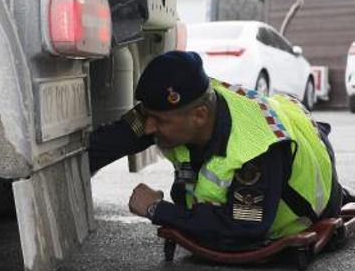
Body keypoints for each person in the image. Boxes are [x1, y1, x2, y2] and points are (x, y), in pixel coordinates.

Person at [88, 50, 352, 251]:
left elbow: (243, 228)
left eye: (159, 121)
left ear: (199, 116)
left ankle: (343, 195)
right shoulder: (184, 101)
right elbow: (112, 141)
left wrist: (158, 210)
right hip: (285, 115)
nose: (147, 128)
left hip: (311, 176)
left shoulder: (256, 150)